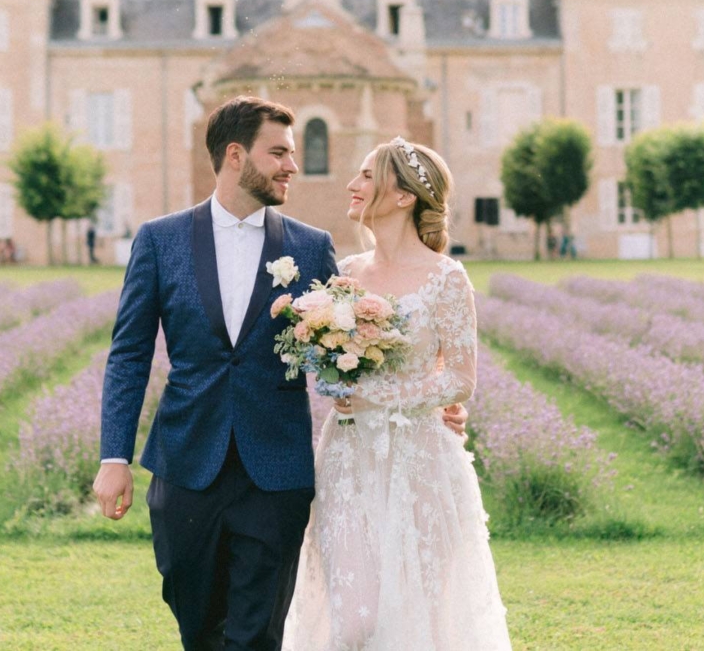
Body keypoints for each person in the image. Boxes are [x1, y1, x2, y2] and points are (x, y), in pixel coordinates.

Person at [94, 97, 466, 651]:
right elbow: (128, 355)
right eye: (279, 153)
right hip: (186, 462)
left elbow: (355, 340)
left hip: (278, 471)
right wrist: (114, 457)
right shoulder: (159, 240)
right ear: (236, 155)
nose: (293, 165)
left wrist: (425, 400)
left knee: (257, 633)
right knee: (196, 621)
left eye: (293, 153)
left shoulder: (312, 247)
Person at [283, 137, 511, 650]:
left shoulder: (446, 277)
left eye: (366, 175)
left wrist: (383, 399)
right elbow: (330, 355)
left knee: (414, 616)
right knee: (352, 615)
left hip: (419, 462)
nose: (352, 185)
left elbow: (459, 377)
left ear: (404, 196)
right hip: (346, 455)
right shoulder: (344, 274)